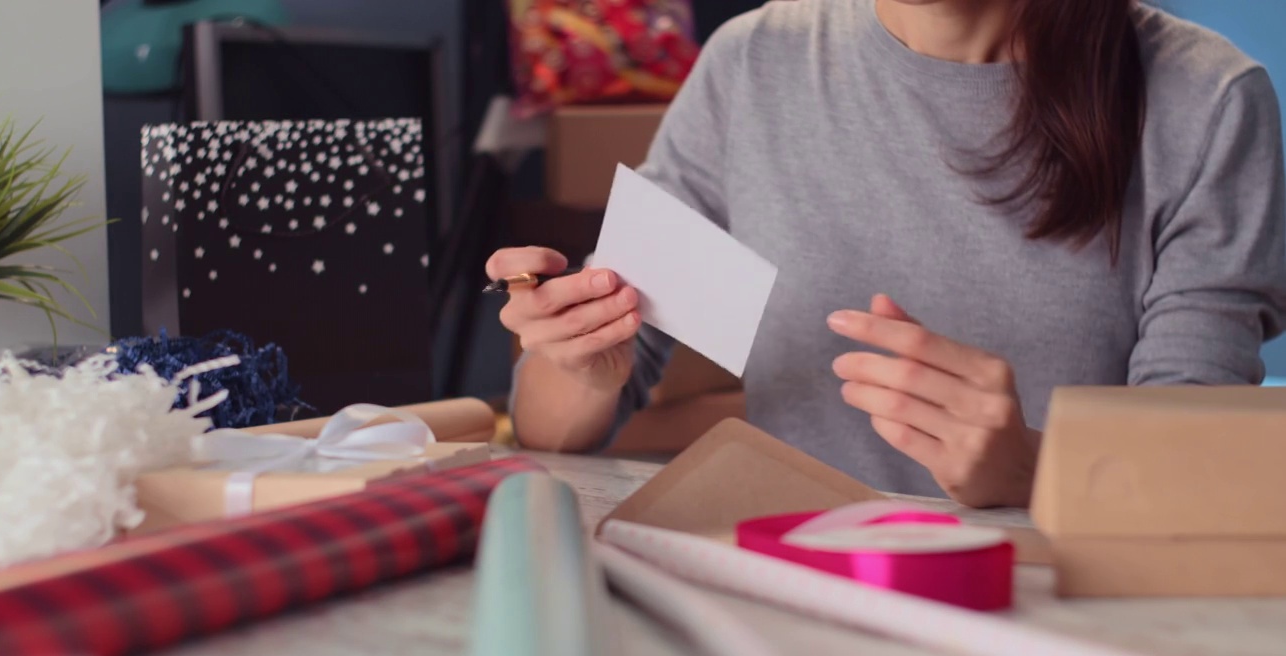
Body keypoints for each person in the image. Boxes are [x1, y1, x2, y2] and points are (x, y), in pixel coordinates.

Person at [488, 0, 1286, 507]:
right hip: (790, 592)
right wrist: (579, 361)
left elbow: (1198, 478)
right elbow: (552, 428)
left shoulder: (1206, 97)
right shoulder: (751, 62)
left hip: (1064, 608)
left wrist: (1030, 469)